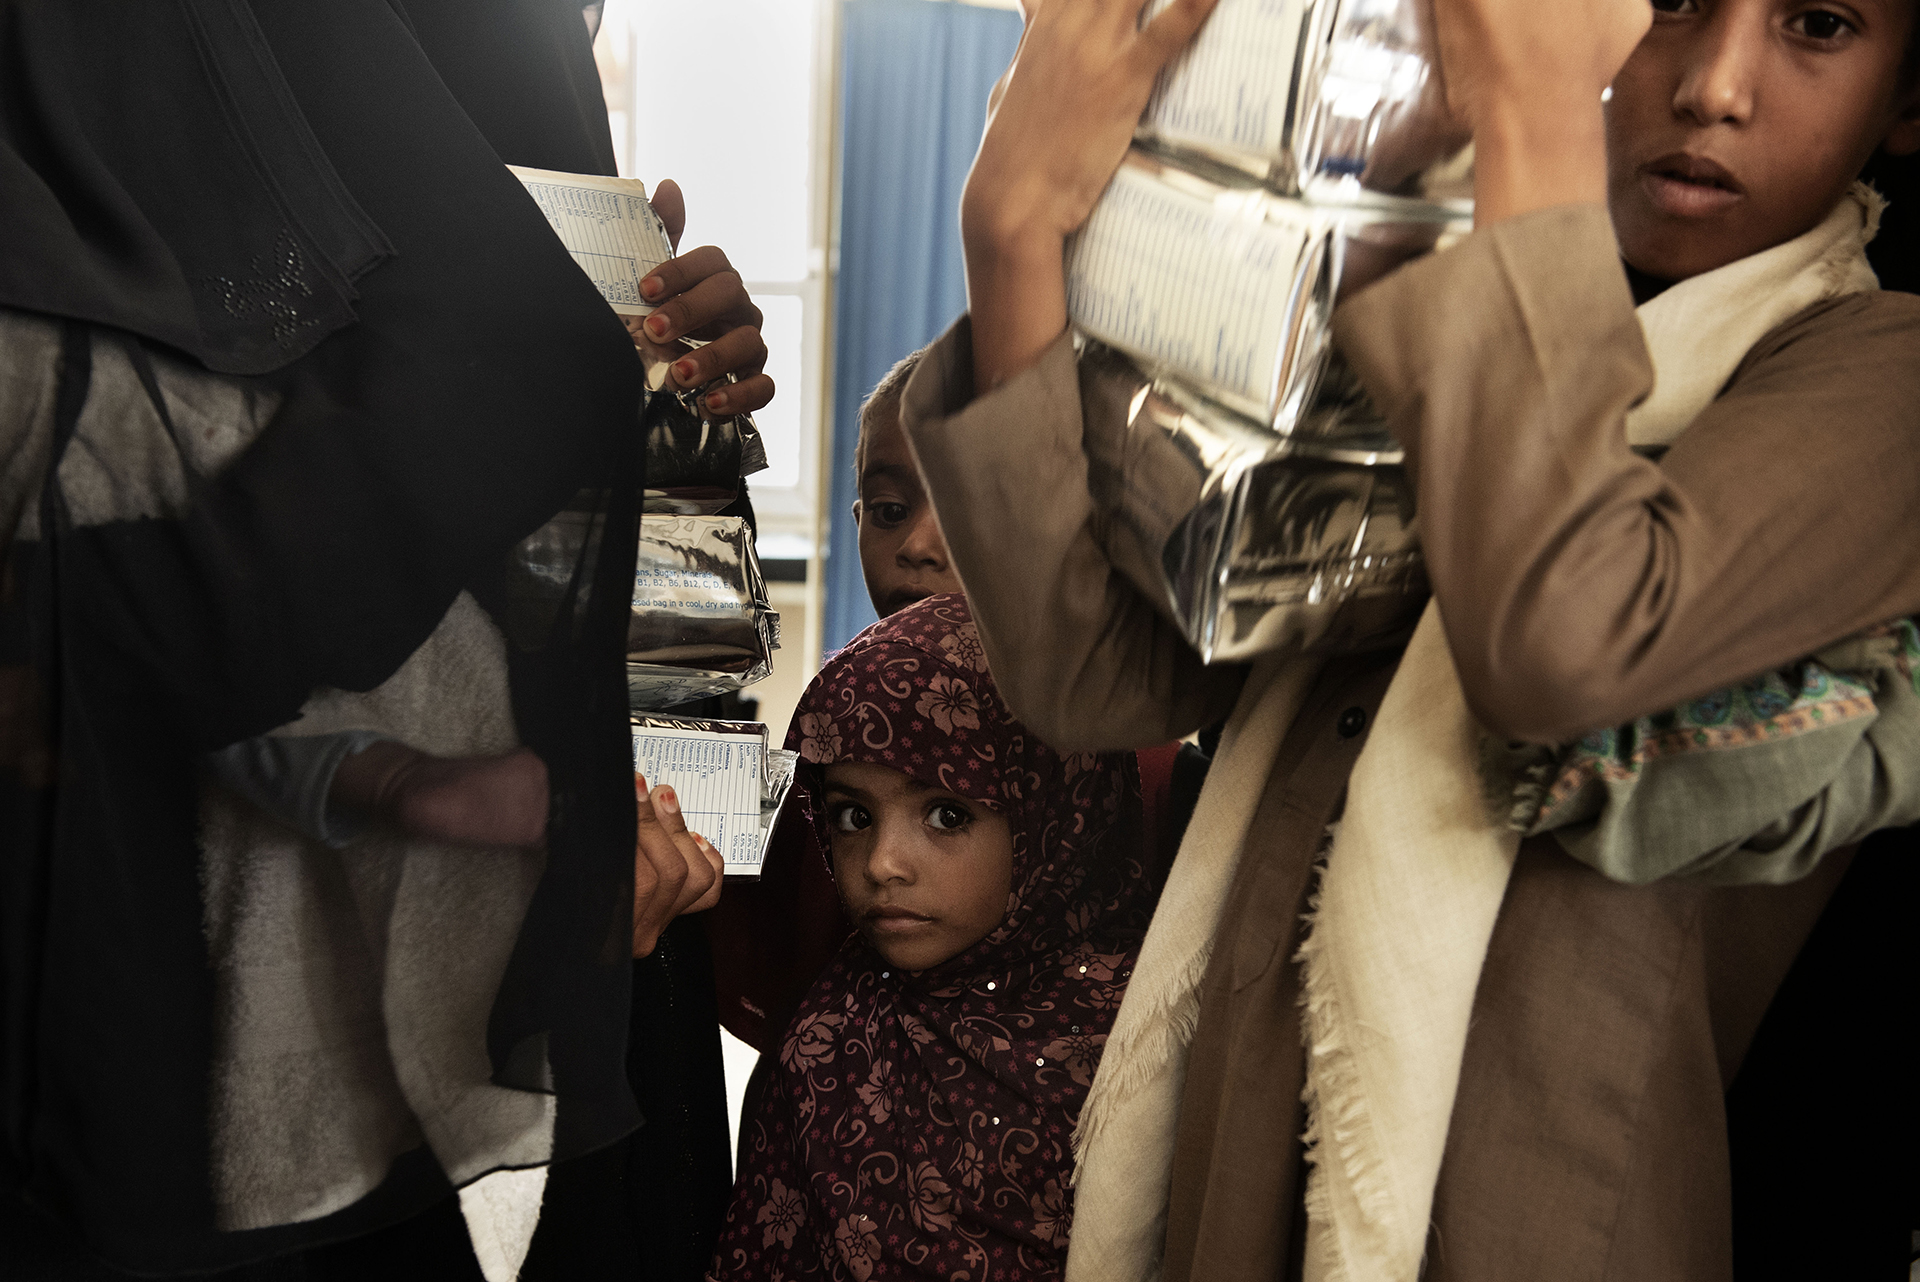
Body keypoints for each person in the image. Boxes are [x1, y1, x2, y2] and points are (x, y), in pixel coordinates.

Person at [895, 0, 1920, 1278]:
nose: (1715, 86)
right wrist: (1012, 231)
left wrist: (1535, 116)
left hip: (1530, 1225)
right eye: (1668, 6)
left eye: (1817, 24)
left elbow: (1560, 640)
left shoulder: (1879, 376)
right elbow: (1095, 672)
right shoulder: (1426, 294)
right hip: (1230, 1178)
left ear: (1908, 95)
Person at [0, 0, 765, 1277]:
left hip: (567, 899)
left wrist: (672, 386)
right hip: (249, 1009)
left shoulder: (507, 41)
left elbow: (614, 523)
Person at [707, 594, 1155, 1281]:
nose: (883, 862)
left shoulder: (1147, 1036)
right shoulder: (829, 1037)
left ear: (1051, 813)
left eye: (947, 813)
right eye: (853, 814)